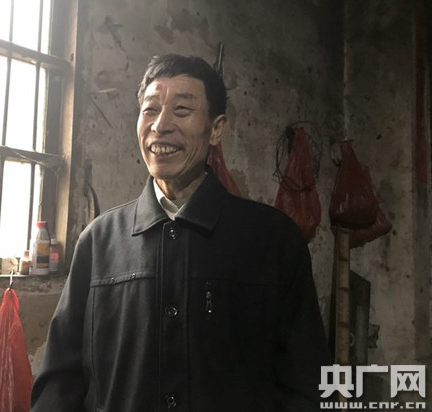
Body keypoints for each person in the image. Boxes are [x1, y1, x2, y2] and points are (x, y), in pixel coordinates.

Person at [31, 54, 331, 411]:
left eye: (182, 110)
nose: (161, 125)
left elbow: (306, 380)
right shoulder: (99, 241)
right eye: (150, 110)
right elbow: (59, 382)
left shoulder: (273, 240)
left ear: (216, 129)